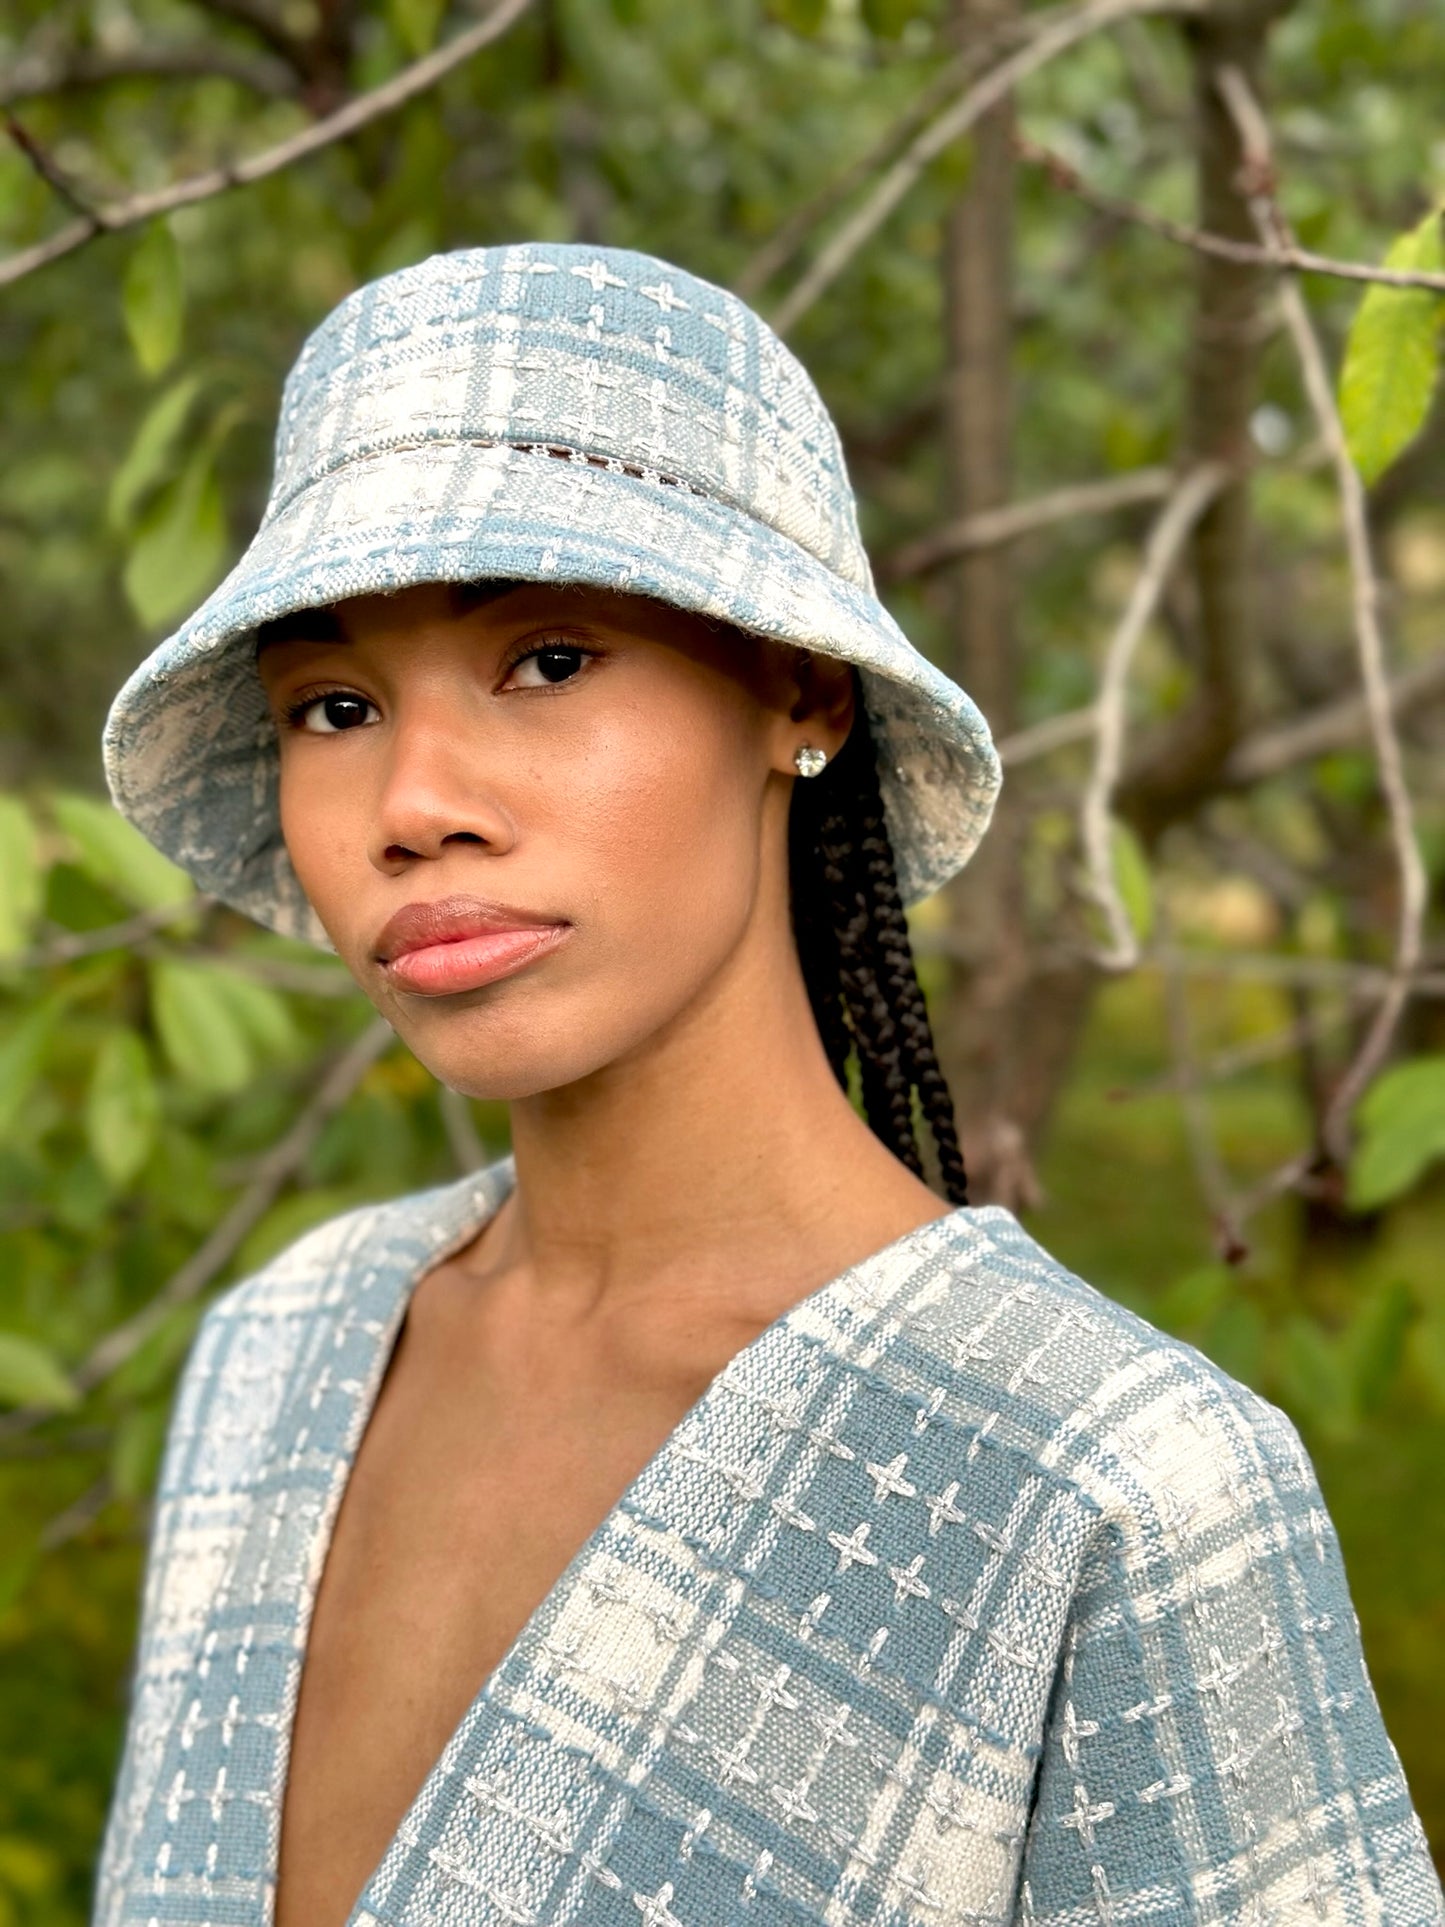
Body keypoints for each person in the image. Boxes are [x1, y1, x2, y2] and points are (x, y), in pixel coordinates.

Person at [92, 242, 1442, 1927]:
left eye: (549, 658)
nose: (412, 801)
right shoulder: (278, 1354)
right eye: (337, 704)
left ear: (796, 692)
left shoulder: (1108, 1488)